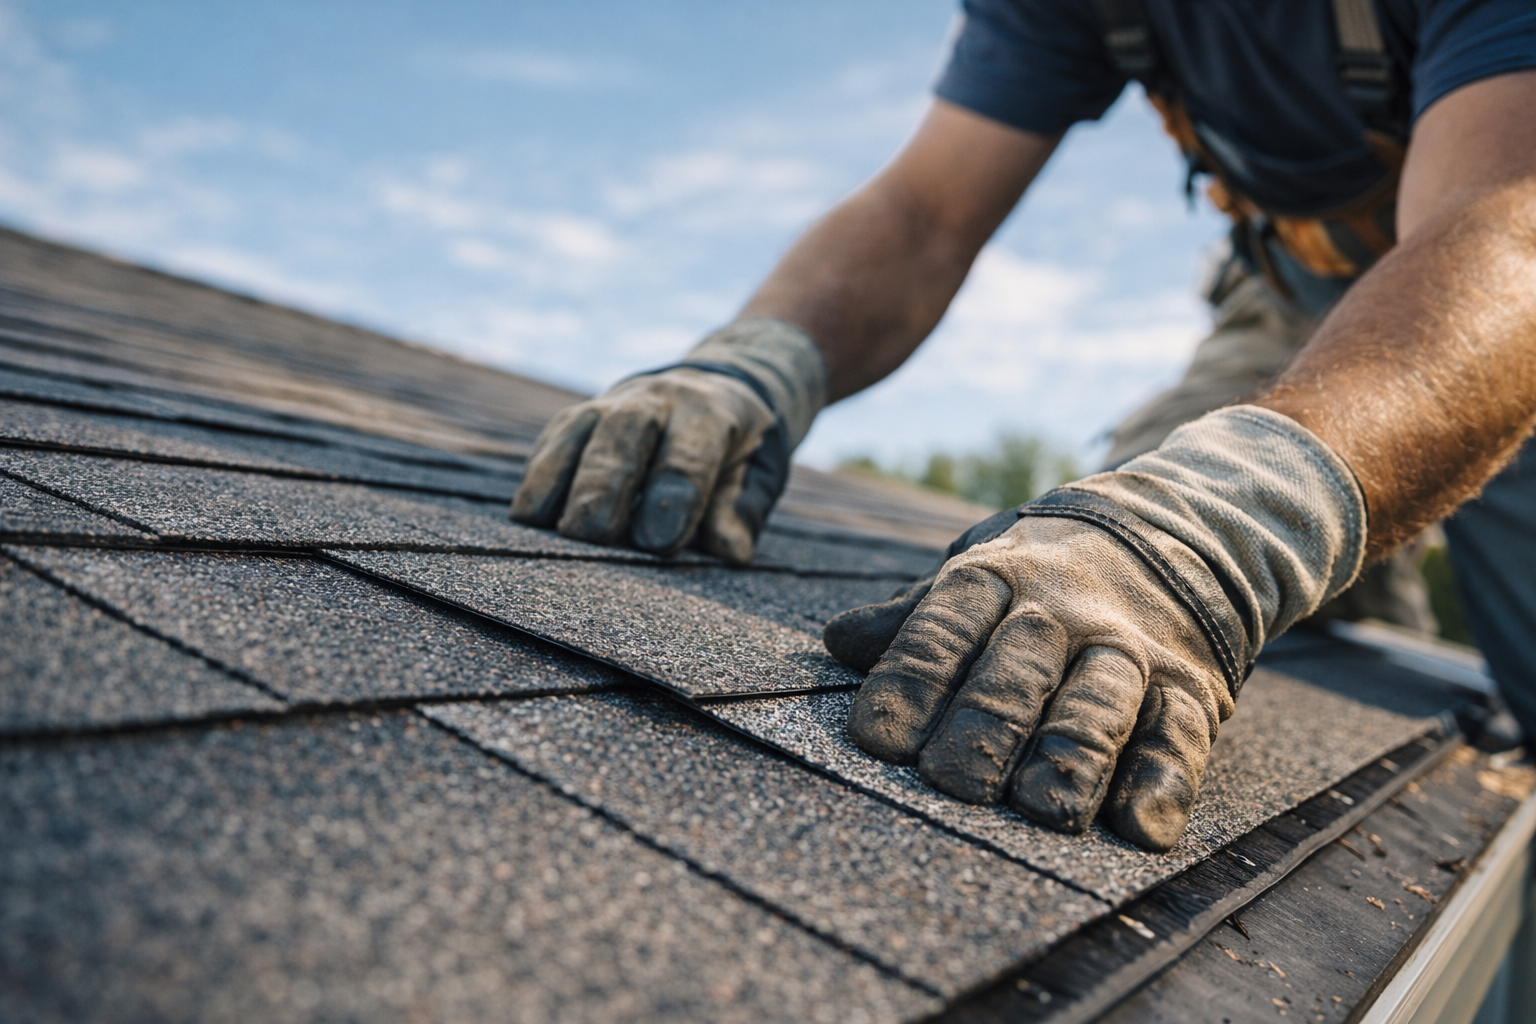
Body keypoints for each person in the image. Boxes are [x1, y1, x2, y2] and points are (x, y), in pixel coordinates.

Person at [511, 0, 1536, 851]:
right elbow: (926, 209)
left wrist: (1226, 529)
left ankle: (1378, 540)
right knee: (1097, 564)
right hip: (1299, 288)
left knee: (1212, 533)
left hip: (1498, 275)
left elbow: (1504, 231)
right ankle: (1366, 566)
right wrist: (753, 362)